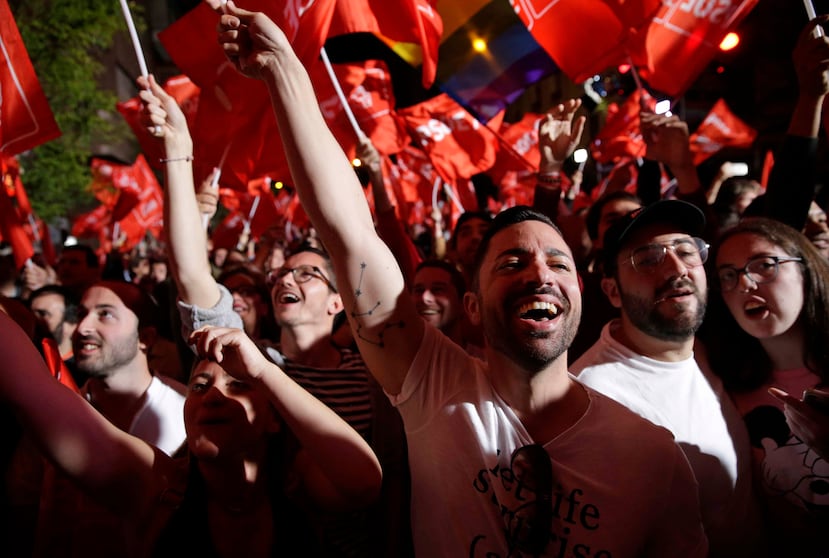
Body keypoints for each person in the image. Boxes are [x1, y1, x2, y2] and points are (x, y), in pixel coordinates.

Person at [206, 4, 708, 556]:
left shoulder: (654, 457)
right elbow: (349, 233)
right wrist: (286, 71)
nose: (540, 273)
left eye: (559, 264)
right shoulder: (433, 386)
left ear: (582, 296)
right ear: (471, 306)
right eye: (511, 264)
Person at [138, 71, 410, 557]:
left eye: (307, 274)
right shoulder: (246, 363)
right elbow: (193, 276)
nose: (286, 279)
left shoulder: (373, 372)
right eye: (281, 273)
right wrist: (178, 153)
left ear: (338, 302)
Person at [0, 309, 382, 557]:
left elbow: (364, 480)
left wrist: (264, 372)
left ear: (274, 416)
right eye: (199, 385)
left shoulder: (300, 484)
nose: (213, 395)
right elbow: (30, 389)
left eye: (238, 385)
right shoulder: (154, 485)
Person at [570, 200, 764, 557]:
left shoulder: (709, 347)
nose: (677, 268)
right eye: (647, 259)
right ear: (612, 291)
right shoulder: (592, 400)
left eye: (687, 251)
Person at [706, 217, 829, 555]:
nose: (745, 283)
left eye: (764, 265)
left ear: (805, 268)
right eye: (728, 276)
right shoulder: (726, 386)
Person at [28, 285, 81, 383]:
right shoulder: (24, 363)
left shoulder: (82, 373)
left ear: (70, 323)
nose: (32, 320)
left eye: (43, 314)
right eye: (29, 313)